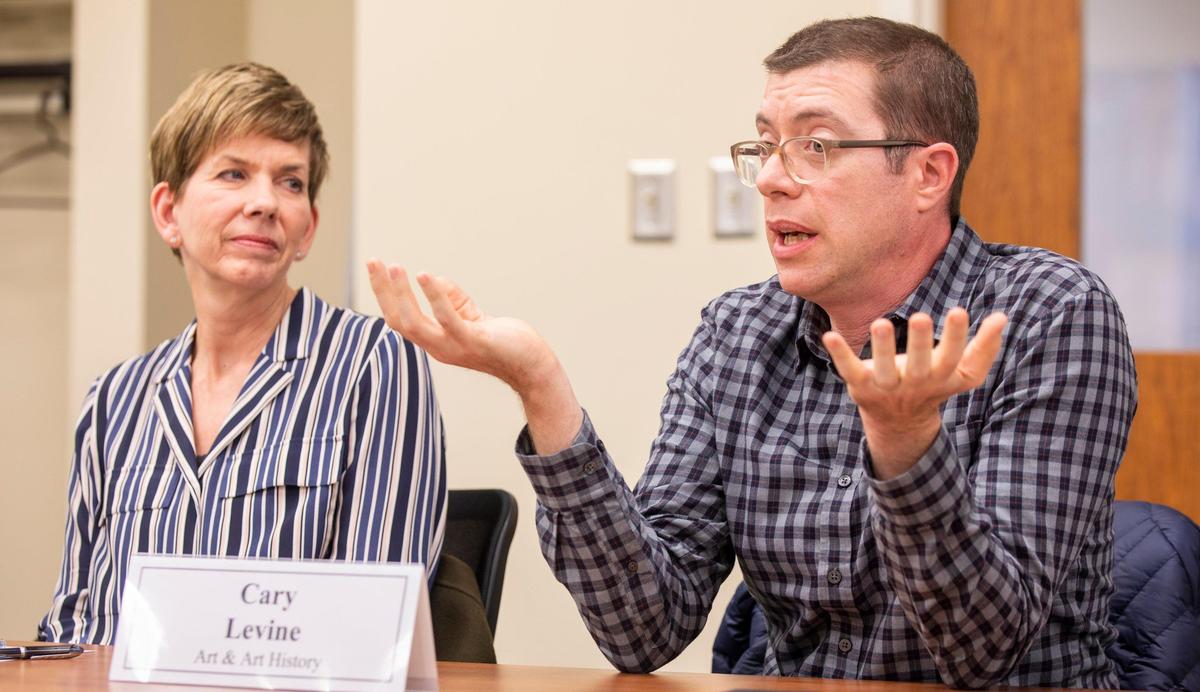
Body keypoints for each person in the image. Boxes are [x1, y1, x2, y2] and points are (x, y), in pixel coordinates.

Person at [368, 17, 1137, 689]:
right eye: (765, 146)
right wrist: (540, 386)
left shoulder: (1050, 315)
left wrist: (907, 450)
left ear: (928, 174)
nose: (770, 180)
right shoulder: (738, 333)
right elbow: (645, 628)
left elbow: (982, 653)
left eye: (816, 146)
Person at [39, 63, 446, 645]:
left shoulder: (375, 365)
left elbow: (374, 628)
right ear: (168, 212)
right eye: (234, 173)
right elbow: (77, 629)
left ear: (307, 230)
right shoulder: (113, 401)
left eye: (290, 182)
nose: (265, 202)